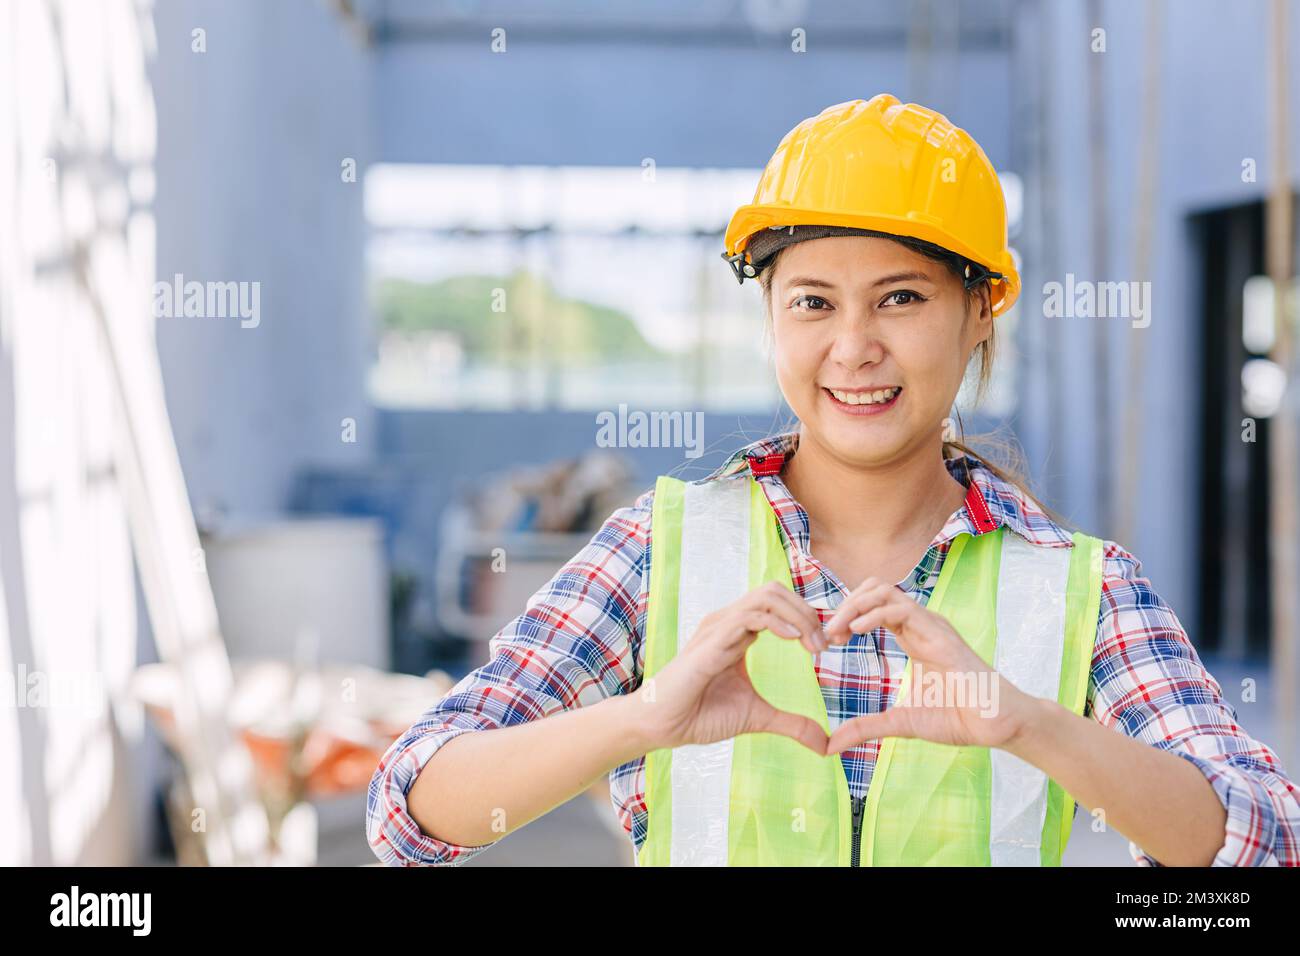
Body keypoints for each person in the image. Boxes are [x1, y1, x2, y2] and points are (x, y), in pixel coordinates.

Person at [367, 94, 1300, 866]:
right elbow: (411, 811)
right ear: (770, 318)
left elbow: (1263, 844)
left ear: (982, 312)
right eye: (813, 302)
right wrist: (641, 719)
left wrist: (1029, 726)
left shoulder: (1081, 588)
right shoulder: (663, 546)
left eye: (902, 297)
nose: (854, 348)